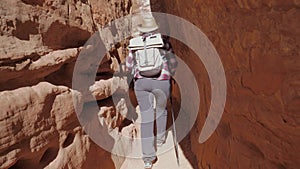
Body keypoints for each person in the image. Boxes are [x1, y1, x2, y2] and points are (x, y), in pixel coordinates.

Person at [126, 16, 177, 169]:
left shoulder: (134, 44)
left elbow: (129, 66)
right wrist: (170, 74)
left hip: (141, 83)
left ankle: (148, 158)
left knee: (147, 118)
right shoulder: (162, 41)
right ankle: (161, 139)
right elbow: (173, 62)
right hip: (161, 81)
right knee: (161, 110)